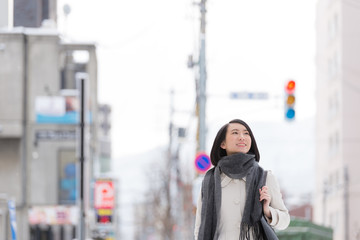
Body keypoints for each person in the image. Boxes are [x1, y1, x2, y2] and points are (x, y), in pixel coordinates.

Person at [194, 119, 290, 240]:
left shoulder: (265, 177)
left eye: (246, 133)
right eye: (235, 133)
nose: (242, 137)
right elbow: (199, 226)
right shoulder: (210, 180)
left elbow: (285, 221)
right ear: (222, 143)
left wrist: (267, 211)